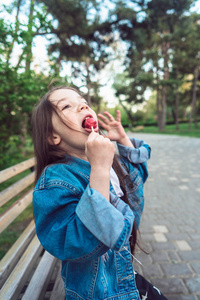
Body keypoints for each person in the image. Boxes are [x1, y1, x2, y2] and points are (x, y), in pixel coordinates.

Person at [32, 86, 167, 300]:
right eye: (67, 106)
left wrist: (122, 139)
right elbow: (77, 241)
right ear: (53, 136)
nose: (83, 105)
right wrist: (100, 170)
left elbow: (135, 183)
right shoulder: (56, 180)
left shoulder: (104, 159)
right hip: (98, 292)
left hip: (122, 278)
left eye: (83, 101)